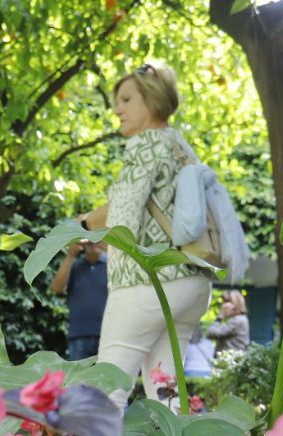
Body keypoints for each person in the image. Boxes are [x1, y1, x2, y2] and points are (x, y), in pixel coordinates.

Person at [76, 60, 213, 408]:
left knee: (110, 386)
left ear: (150, 100)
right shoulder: (180, 146)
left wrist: (84, 230)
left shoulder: (145, 144)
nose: (117, 110)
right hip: (192, 281)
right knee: (166, 394)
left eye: (125, 100)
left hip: (147, 284)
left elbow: (123, 220)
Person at [49, 239, 109, 360]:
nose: (94, 243)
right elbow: (56, 288)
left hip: (108, 334)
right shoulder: (75, 267)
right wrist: (71, 254)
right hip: (79, 335)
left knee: (109, 377)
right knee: (79, 379)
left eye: (98, 238)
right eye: (90, 240)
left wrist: (109, 248)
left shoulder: (112, 265)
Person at [205, 291, 250, 355]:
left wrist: (220, 316)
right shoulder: (238, 319)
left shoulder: (238, 320)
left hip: (232, 361)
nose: (224, 305)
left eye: (227, 301)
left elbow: (211, 333)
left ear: (235, 305)